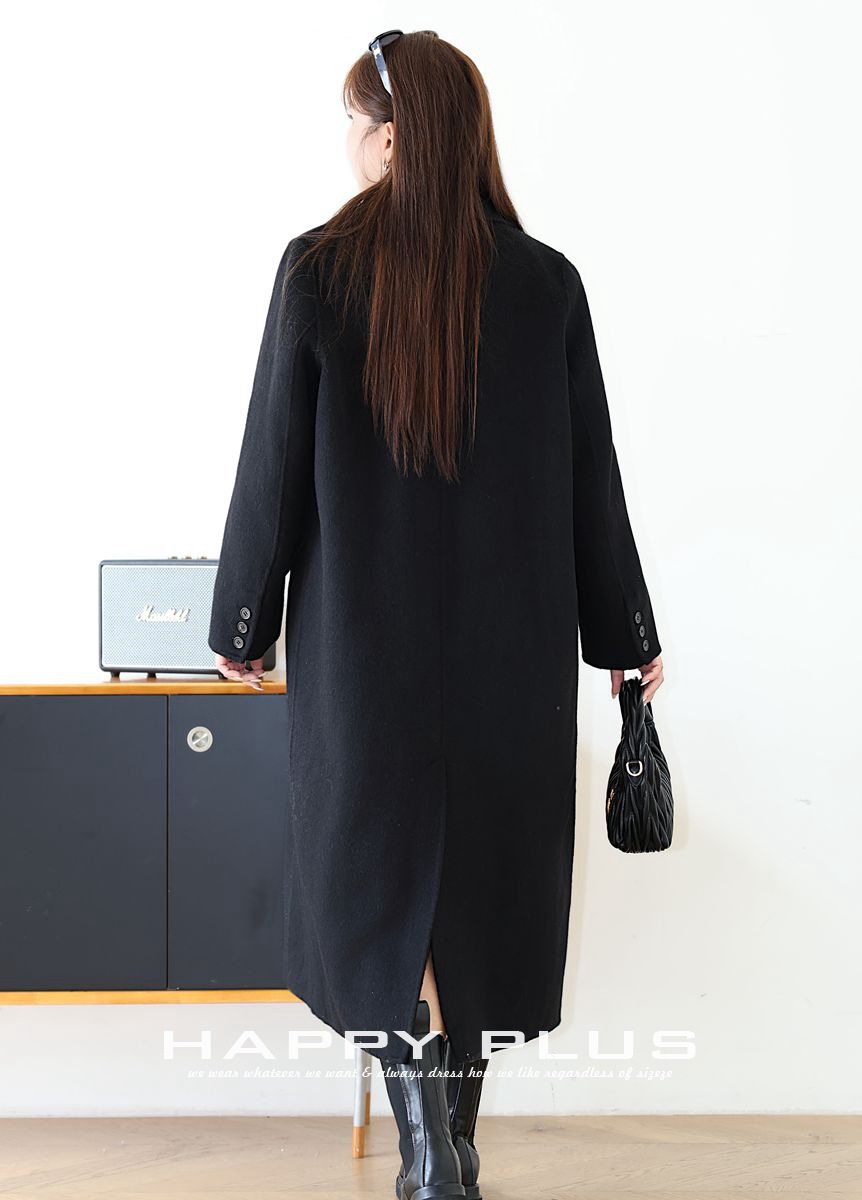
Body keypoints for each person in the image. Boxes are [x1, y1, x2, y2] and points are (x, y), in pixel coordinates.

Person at [208, 28, 665, 1200]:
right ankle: (447, 1143)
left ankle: (428, 1155)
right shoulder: (544, 284)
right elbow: (593, 479)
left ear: (393, 135)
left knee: (380, 896)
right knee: (483, 895)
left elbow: (271, 464)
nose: (351, 146)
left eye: (355, 123)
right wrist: (627, 639)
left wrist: (242, 622)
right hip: (514, 658)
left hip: (367, 660)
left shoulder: (317, 272)